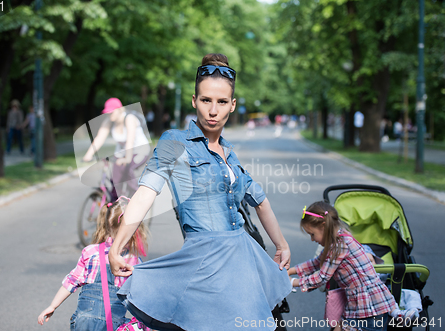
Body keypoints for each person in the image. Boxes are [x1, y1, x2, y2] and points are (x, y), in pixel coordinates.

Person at [108, 53, 292, 331]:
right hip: (204, 262)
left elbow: (260, 200)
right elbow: (145, 193)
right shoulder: (174, 141)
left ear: (232, 106)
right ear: (194, 101)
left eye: (221, 102)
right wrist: (117, 245)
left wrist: (281, 244)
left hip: (243, 261)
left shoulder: (230, 154)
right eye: (206, 100)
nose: (213, 110)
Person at [37, 197, 149, 330]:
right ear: (134, 231)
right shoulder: (132, 260)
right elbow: (141, 295)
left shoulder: (90, 252)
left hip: (83, 322)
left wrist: (53, 306)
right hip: (112, 323)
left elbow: (71, 281)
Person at [288, 201, 397, 331]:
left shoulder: (339, 246)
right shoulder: (337, 240)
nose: (312, 239)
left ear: (323, 226)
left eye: (312, 234)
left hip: (369, 306)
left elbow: (322, 277)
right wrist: (290, 271)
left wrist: (293, 282)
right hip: (361, 304)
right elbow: (317, 262)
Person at [83, 98, 151, 200]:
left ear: (120, 109)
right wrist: (88, 155)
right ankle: (117, 201)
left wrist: (127, 159)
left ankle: (136, 198)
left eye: (112, 111)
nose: (110, 114)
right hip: (122, 152)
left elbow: (130, 141)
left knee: (128, 169)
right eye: (108, 112)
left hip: (140, 150)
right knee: (116, 178)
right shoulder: (109, 121)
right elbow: (99, 138)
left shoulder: (129, 118)